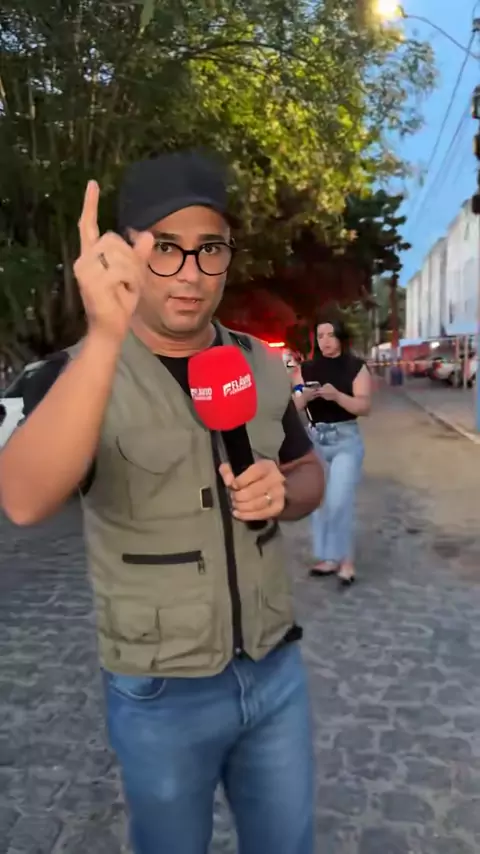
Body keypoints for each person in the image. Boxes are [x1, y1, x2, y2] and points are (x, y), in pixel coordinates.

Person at [0, 151, 325, 854]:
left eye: (210, 249)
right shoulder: (63, 375)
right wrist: (105, 334)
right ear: (125, 252)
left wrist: (283, 493)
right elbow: (21, 501)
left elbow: (309, 472)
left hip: (275, 673)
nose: (190, 273)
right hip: (160, 696)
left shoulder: (260, 364)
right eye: (166, 248)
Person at [294, 318, 371, 585]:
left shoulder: (356, 367)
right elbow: (292, 405)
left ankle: (346, 560)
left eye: (330, 335)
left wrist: (337, 396)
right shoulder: (305, 369)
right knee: (320, 502)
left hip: (345, 440)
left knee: (339, 501)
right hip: (315, 439)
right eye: (320, 336)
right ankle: (328, 558)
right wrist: (304, 398)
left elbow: (364, 406)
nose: (325, 341)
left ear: (340, 337)